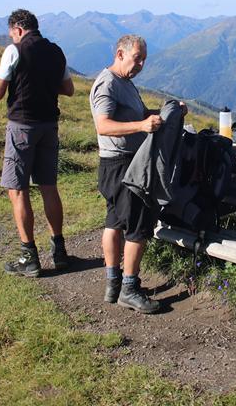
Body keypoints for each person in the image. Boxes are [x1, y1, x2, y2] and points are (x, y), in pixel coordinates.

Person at [90, 34, 187, 313]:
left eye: (144, 59)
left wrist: (168, 113)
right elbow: (103, 125)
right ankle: (129, 290)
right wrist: (141, 126)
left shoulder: (125, 83)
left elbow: (142, 114)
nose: (141, 64)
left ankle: (113, 284)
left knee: (114, 222)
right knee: (138, 226)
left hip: (118, 164)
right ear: (120, 54)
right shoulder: (108, 84)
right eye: (137, 58)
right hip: (122, 165)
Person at [0, 9, 75, 277]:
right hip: (49, 126)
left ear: (17, 29)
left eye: (12, 34)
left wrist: (0, 76)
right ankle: (59, 251)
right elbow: (69, 89)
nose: (12, 37)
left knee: (18, 190)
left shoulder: (13, 51)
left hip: (22, 128)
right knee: (49, 187)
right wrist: (42, 83)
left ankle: (29, 257)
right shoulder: (56, 51)